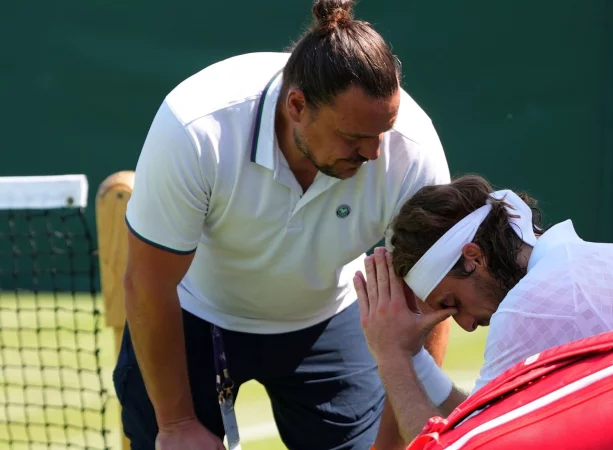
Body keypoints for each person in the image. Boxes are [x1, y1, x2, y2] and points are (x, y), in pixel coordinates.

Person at [114, 1, 453, 449]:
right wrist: (176, 424)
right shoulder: (195, 128)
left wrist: (398, 445)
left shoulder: (413, 148)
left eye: (382, 133)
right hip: (194, 316)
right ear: (297, 106)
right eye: (354, 137)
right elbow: (148, 282)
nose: (374, 153)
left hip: (330, 317)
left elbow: (428, 304)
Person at [353, 174, 613, 443]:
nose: (467, 325)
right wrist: (414, 356)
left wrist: (392, 357)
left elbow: (461, 446)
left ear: (473, 257)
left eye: (452, 304)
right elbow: (476, 423)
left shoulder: (529, 307)